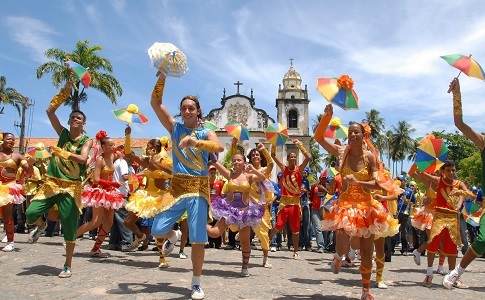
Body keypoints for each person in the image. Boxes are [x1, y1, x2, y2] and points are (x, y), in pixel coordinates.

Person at [149, 72, 224, 300]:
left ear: (198, 111)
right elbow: (155, 103)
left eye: (192, 108)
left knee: (198, 238)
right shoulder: (174, 128)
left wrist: (195, 141)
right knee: (157, 230)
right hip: (177, 187)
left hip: (199, 190)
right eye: (184, 108)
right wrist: (162, 78)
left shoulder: (205, 131)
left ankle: (196, 283)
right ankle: (173, 236)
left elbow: (219, 148)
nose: (188, 111)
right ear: (180, 111)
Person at [315, 103, 393, 300]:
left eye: (356, 132)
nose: (352, 135)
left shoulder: (370, 158)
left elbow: (380, 185)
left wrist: (358, 181)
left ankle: (366, 291)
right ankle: (338, 257)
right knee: (342, 245)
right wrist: (326, 118)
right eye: (350, 133)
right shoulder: (342, 152)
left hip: (367, 207)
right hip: (345, 206)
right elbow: (318, 138)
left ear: (363, 136)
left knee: (366, 250)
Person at [26, 81, 93, 278]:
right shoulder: (62, 133)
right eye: (72, 117)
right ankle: (41, 225)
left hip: (71, 188)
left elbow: (82, 158)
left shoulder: (86, 140)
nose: (75, 119)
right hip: (52, 183)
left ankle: (67, 264)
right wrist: (66, 90)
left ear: (83, 123)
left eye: (78, 118)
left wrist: (62, 153)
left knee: (70, 228)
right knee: (31, 212)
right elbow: (49, 111)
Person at [443, 78, 485, 289]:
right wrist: (457, 95)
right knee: (482, 240)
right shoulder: (484, 142)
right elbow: (459, 124)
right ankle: (456, 272)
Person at [207, 149, 267, 276]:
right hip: (229, 210)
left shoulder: (249, 176)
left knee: (245, 242)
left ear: (244, 162)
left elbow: (262, 177)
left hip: (244, 213)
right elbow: (216, 162)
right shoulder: (230, 174)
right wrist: (210, 149)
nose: (236, 162)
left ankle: (245, 267)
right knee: (214, 233)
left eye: (239, 160)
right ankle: (197, 221)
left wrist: (252, 169)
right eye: (234, 160)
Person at [123, 128, 173, 267]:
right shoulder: (146, 162)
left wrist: (158, 165)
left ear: (156, 149)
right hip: (145, 196)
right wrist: (128, 135)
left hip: (160, 197)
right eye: (147, 148)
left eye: (149, 148)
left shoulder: (166, 161)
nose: (147, 150)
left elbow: (173, 172)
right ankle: (141, 236)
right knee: (127, 222)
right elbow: (128, 154)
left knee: (158, 230)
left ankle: (162, 258)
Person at [416, 160, 470, 288]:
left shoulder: (458, 183)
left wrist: (460, 203)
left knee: (452, 247)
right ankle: (429, 274)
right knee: (433, 244)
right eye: (448, 170)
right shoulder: (438, 181)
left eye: (453, 170)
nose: (451, 172)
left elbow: (466, 192)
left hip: (453, 218)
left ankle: (452, 276)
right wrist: (426, 163)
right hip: (439, 216)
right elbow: (419, 172)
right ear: (443, 172)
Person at [77, 130, 124, 257]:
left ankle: (96, 248)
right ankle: (71, 238)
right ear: (104, 147)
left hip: (110, 193)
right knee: (96, 222)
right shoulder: (100, 159)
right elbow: (96, 179)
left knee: (109, 223)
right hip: (100, 192)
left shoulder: (112, 157)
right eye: (111, 145)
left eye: (114, 144)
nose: (113, 146)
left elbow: (127, 154)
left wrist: (128, 135)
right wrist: (113, 184)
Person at [268, 139, 311, 260]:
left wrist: (300, 145)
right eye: (291, 157)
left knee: (295, 228)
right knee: (279, 224)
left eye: (294, 157)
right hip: (284, 202)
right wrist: (274, 143)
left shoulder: (299, 170)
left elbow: (307, 157)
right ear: (287, 159)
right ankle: (269, 239)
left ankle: (296, 251)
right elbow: (273, 155)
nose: (293, 158)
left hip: (295, 203)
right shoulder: (284, 168)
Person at [0, 132, 32, 252]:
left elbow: (28, 171)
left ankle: (10, 242)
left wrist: (30, 164)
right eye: (9, 139)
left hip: (8, 187)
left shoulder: (17, 156)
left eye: (13, 140)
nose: (11, 141)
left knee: (7, 215)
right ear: (2, 140)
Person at [248, 143, 275, 267]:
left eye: (257, 154)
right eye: (253, 155)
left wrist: (265, 150)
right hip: (250, 205)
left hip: (262, 206)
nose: (255, 156)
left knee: (264, 233)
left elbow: (271, 164)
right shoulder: (246, 170)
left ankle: (265, 259)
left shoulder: (264, 170)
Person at [108, 145, 134, 252]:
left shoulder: (114, 162)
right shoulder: (122, 162)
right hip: (121, 194)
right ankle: (127, 243)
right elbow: (124, 176)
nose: (133, 160)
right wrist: (137, 176)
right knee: (124, 219)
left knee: (115, 220)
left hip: (114, 193)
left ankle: (113, 242)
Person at [309, 172, 327, 253]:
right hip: (315, 209)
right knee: (317, 228)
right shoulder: (314, 186)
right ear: (320, 178)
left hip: (325, 210)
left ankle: (326, 245)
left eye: (325, 178)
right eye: (322, 178)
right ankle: (321, 246)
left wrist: (324, 189)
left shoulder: (329, 186)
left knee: (325, 228)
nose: (323, 180)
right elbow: (311, 196)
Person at [207, 164, 224, 249]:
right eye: (211, 172)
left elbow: (221, 194)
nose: (212, 174)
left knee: (217, 224)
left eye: (214, 172)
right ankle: (210, 241)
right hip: (208, 205)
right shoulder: (206, 183)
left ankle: (218, 243)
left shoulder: (219, 183)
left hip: (217, 206)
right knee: (209, 223)